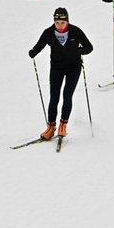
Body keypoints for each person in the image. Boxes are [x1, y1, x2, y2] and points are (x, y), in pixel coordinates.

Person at [28, 7, 93, 139]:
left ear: (67, 21)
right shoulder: (48, 33)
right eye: (57, 22)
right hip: (56, 68)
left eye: (62, 22)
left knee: (67, 96)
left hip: (73, 68)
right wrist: (33, 52)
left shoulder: (75, 31)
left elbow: (89, 47)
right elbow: (39, 45)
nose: (59, 25)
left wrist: (81, 51)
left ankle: (63, 125)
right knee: (54, 97)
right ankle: (51, 127)